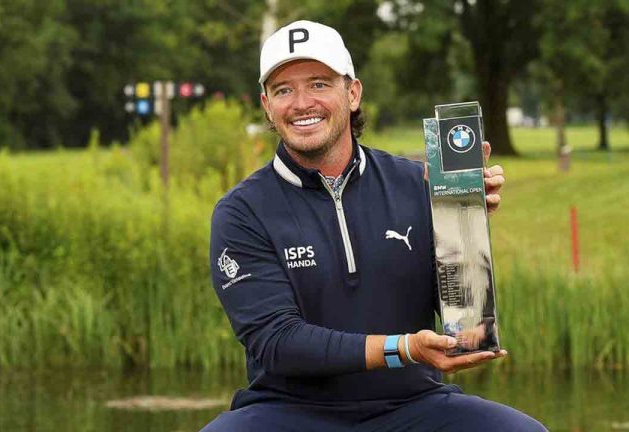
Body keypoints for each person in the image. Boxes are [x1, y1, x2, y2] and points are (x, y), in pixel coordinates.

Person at [203, 20, 546, 432]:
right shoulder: (242, 211)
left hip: (413, 404)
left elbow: (465, 322)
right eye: (283, 90)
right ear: (266, 106)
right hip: (288, 412)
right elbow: (278, 342)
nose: (301, 103)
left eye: (318, 84)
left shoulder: (416, 183)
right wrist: (404, 348)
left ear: (353, 93)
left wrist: (465, 222)